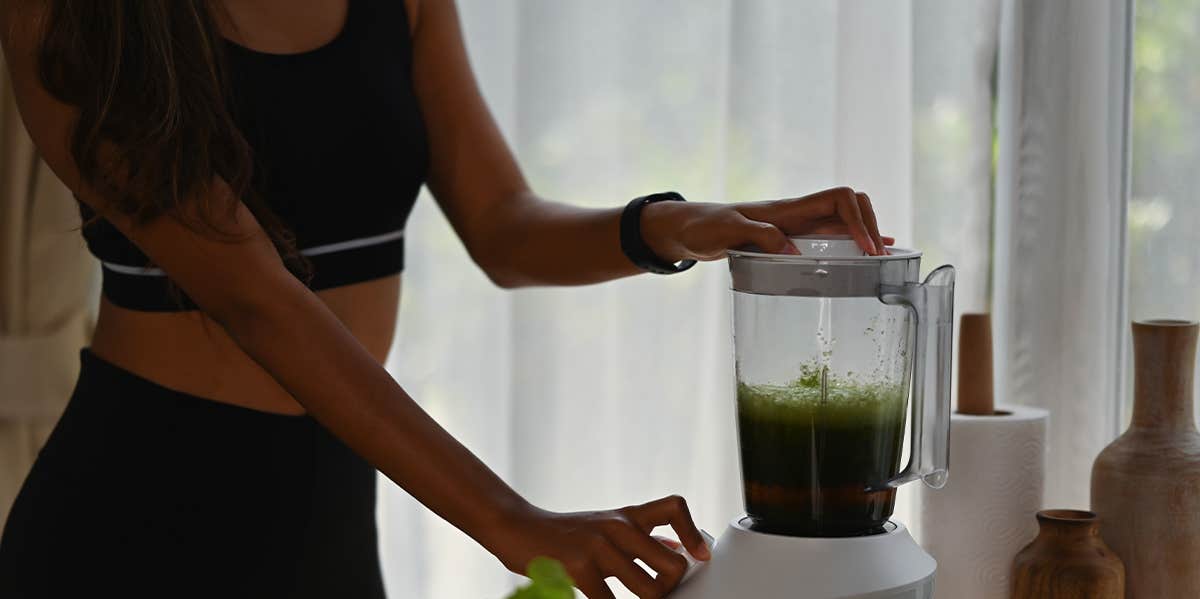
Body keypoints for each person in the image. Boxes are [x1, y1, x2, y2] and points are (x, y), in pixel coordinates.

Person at [0, 1, 892, 598]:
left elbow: (501, 223)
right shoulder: (74, 15)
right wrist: (514, 519)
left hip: (332, 513)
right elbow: (256, 298)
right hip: (133, 522)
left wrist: (679, 226)